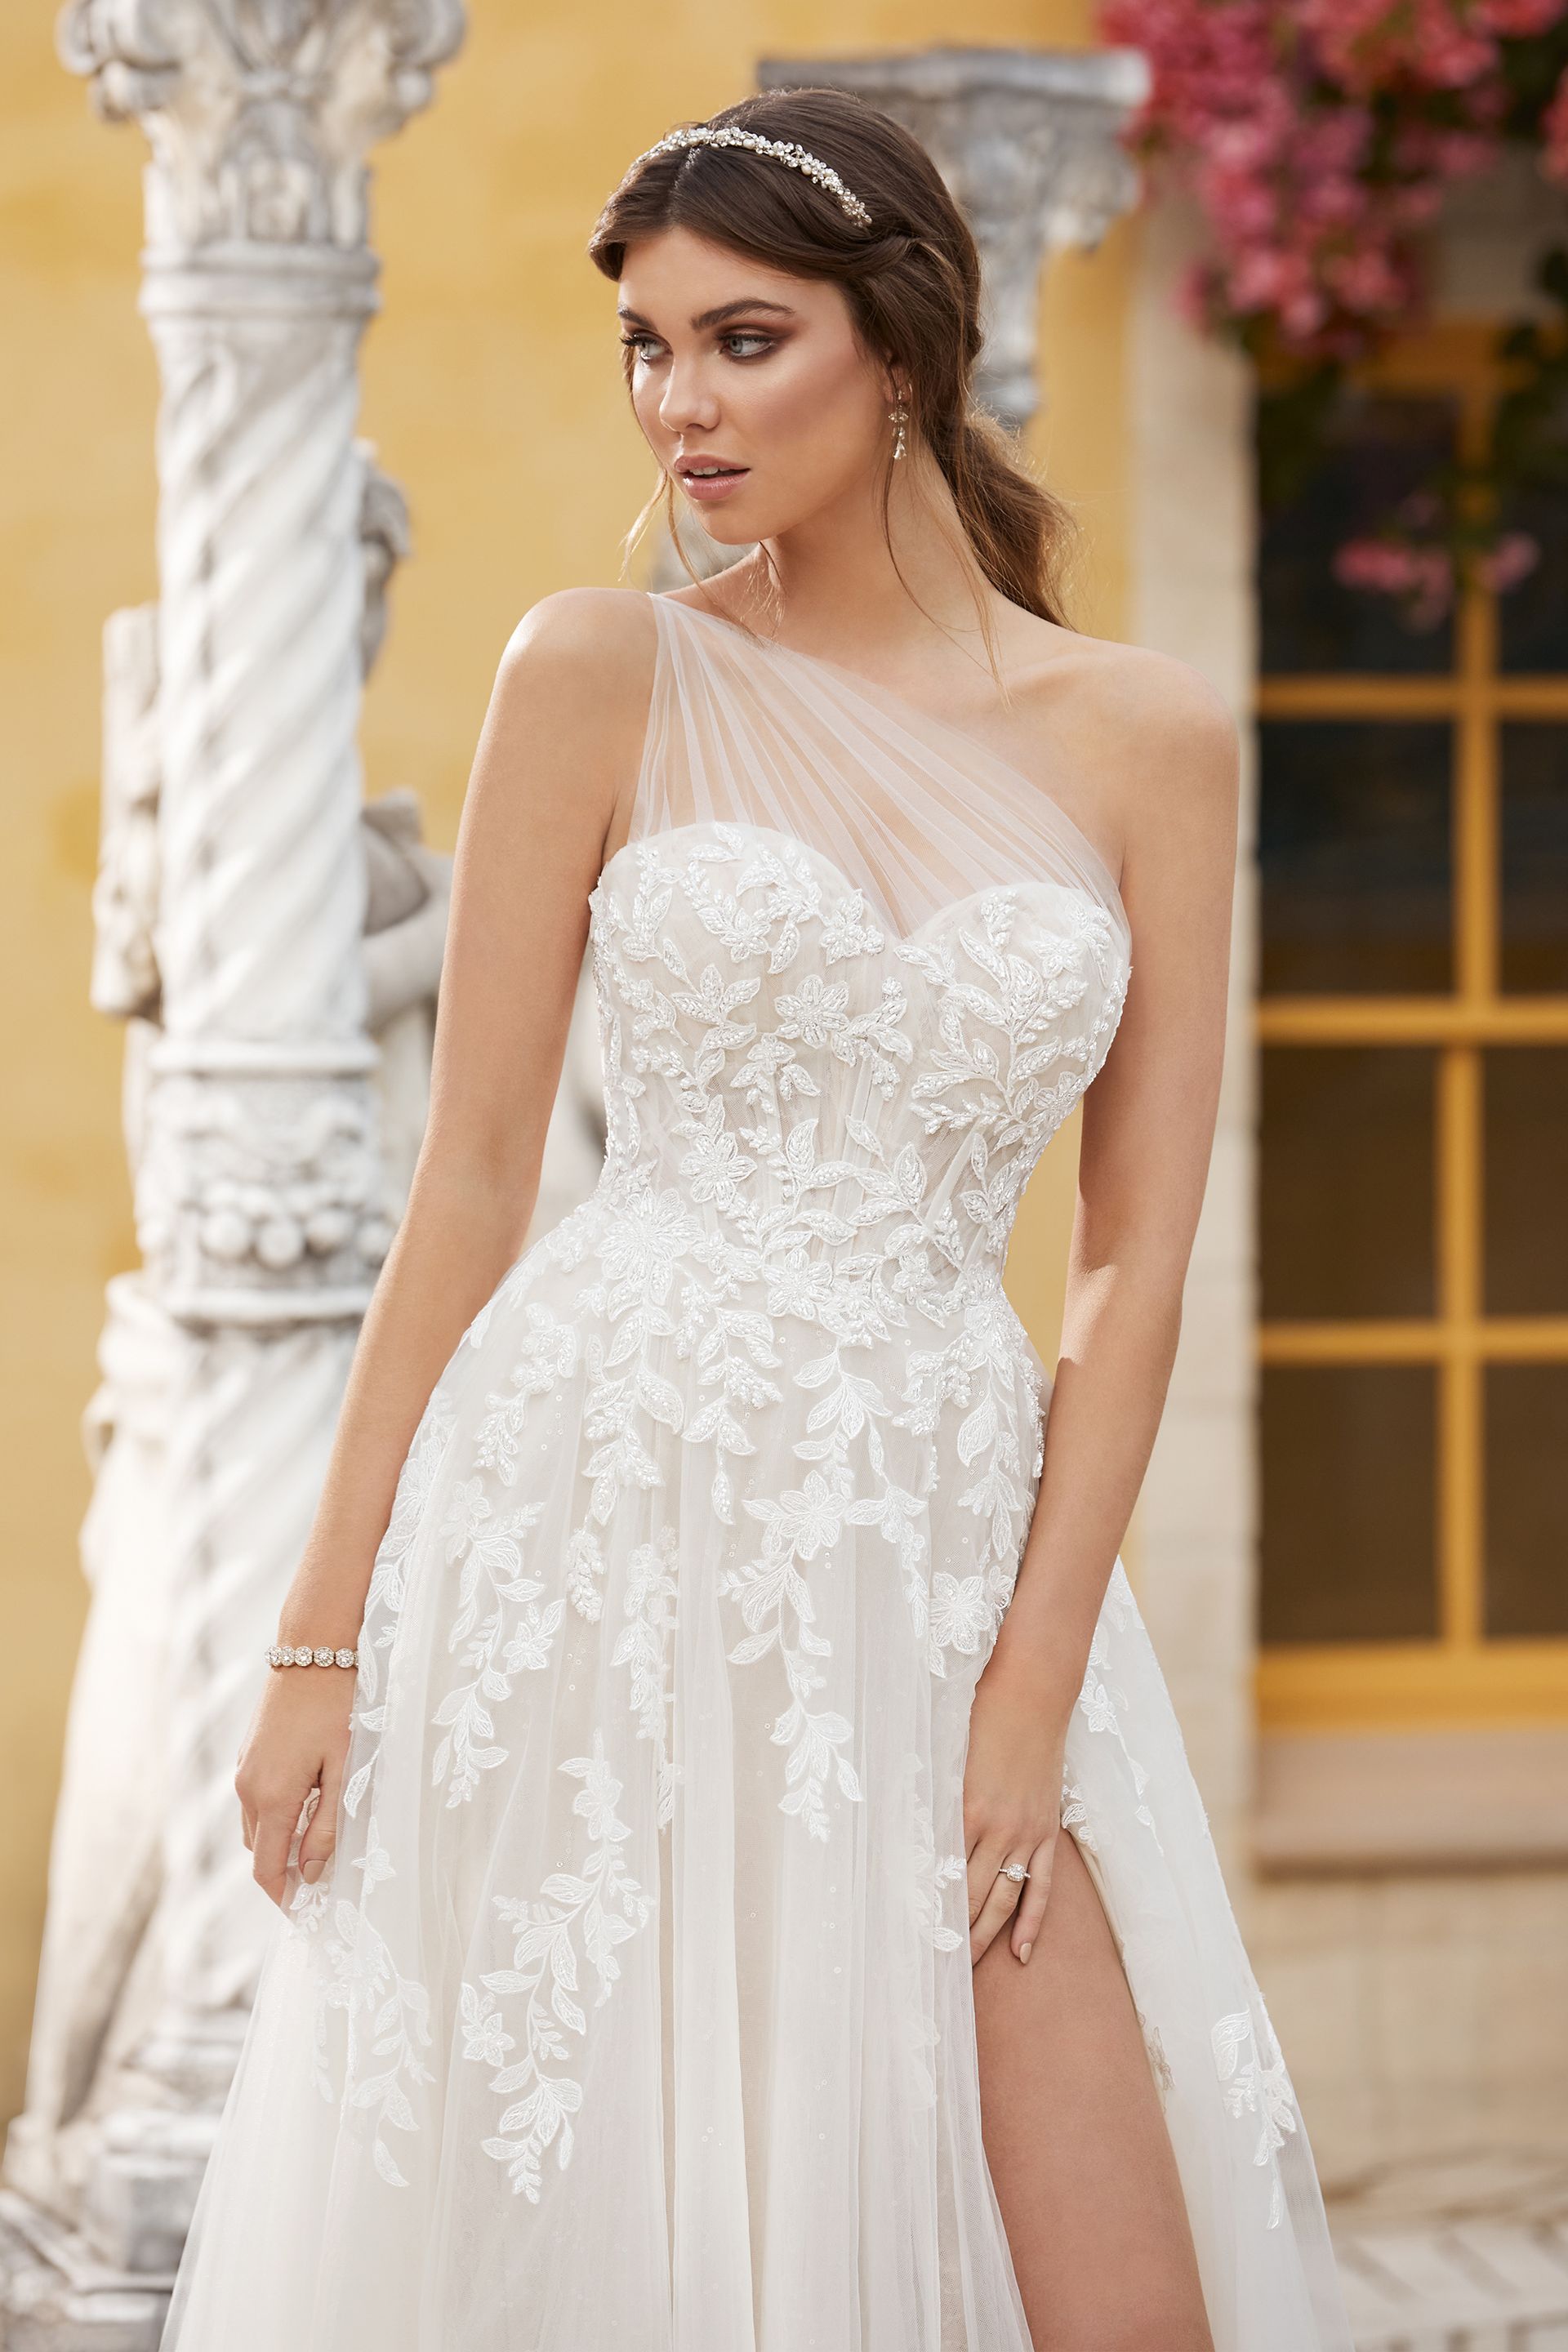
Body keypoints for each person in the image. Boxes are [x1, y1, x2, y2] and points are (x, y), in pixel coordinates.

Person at [161, 87, 1353, 2352]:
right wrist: (319, 1645)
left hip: (944, 1522)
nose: (676, 404)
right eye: (645, 346)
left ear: (899, 351)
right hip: (598, 1504)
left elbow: (1134, 1257)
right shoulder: (603, 670)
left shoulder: (1148, 738)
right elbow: (478, 1181)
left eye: (740, 339)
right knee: (603, 2219)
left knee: (1122, 2282)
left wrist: (1030, 1683)